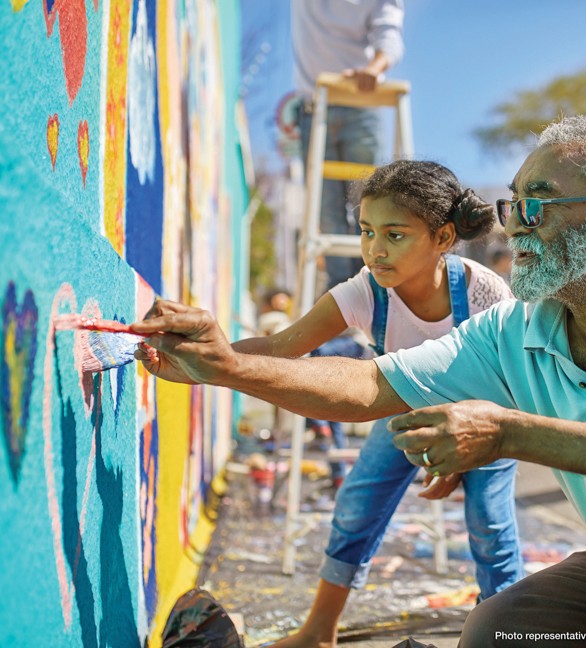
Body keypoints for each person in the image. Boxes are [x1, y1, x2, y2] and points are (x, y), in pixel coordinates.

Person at [134, 115, 586, 647]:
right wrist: (227, 367)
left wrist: (506, 431)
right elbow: (368, 388)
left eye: (537, 205)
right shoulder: (521, 327)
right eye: (514, 204)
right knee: (504, 625)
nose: (515, 225)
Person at [150, 159, 523, 647]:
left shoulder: (483, 293)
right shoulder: (365, 292)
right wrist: (203, 362)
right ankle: (319, 631)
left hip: (488, 416)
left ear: (443, 238)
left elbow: (506, 381)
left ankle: (506, 636)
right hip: (403, 407)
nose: (375, 250)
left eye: (395, 235)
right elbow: (283, 348)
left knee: (491, 529)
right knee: (356, 507)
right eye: (367, 232)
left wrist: (455, 456)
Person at [292, 0, 405, 289]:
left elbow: (389, 35)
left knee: (367, 206)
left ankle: (369, 288)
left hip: (361, 106)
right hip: (315, 107)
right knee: (326, 212)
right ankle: (341, 295)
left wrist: (374, 68)